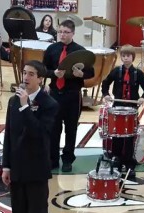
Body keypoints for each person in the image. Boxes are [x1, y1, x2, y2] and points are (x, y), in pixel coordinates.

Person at [2, 60, 58, 213]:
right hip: (17, 169)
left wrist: (25, 107)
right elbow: (9, 134)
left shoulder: (50, 104)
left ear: (40, 78)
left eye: (31, 74)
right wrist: (6, 166)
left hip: (36, 169)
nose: (26, 77)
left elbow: (39, 133)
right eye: (24, 72)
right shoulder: (13, 101)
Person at [42, 19, 94, 172]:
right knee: (54, 128)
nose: (62, 35)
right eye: (60, 32)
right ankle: (52, 159)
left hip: (72, 95)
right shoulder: (51, 49)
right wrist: (53, 74)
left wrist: (81, 74)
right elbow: (43, 70)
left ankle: (68, 159)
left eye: (65, 32)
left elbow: (92, 72)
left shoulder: (80, 51)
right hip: (54, 95)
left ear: (73, 33)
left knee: (71, 129)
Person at [101, 44, 144, 178]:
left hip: (132, 109)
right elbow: (105, 83)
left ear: (133, 57)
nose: (125, 58)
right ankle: (116, 160)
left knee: (130, 136)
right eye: (123, 56)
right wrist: (106, 94)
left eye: (128, 56)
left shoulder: (138, 73)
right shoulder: (116, 71)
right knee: (117, 135)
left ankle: (129, 164)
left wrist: (142, 98)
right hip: (117, 106)